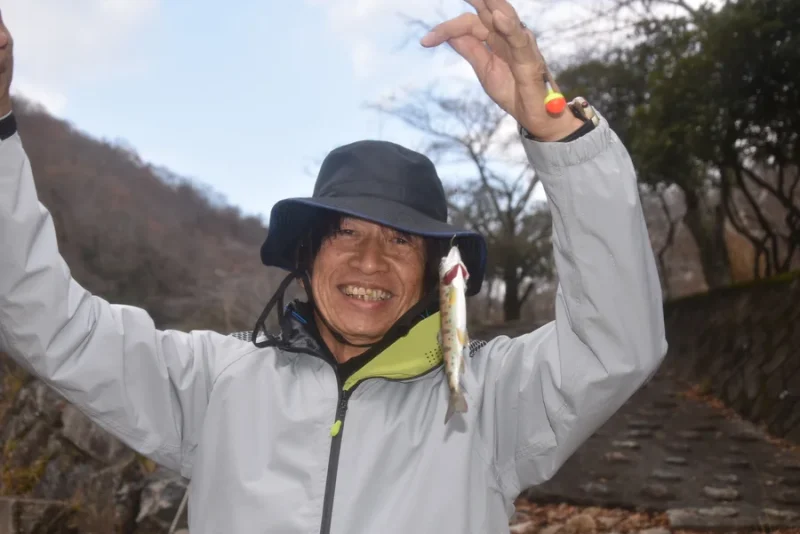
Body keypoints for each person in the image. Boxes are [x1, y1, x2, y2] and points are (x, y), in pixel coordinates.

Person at [0, 2, 667, 533]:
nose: (369, 259)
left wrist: (555, 127)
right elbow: (50, 324)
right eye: (344, 232)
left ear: (436, 271)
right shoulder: (214, 385)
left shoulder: (487, 403)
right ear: (308, 252)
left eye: (402, 242)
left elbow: (615, 342)